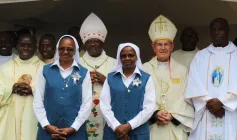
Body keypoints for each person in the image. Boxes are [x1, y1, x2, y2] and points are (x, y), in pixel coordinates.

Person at [185, 18, 237, 140]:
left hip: (231, 113)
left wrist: (222, 102)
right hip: (205, 112)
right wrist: (209, 103)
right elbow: (194, 83)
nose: (217, 33)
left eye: (220, 29)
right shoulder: (200, 56)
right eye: (213, 30)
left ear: (227, 31)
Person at [143, 15, 194, 140]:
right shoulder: (144, 69)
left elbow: (186, 96)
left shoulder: (182, 70)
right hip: (152, 128)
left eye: (166, 44)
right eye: (159, 44)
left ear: (172, 47)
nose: (163, 48)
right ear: (153, 47)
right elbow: (140, 96)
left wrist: (172, 115)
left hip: (174, 126)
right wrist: (155, 113)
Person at [33, 35, 92, 140]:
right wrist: (46, 125)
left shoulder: (84, 73)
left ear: (75, 51)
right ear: (57, 49)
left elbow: (87, 104)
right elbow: (38, 101)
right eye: (62, 48)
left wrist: (73, 127)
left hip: (75, 132)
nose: (65, 51)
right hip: (47, 131)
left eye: (70, 49)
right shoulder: (45, 71)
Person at [100, 43, 155, 140]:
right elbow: (104, 106)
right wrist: (117, 127)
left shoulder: (147, 78)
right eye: (123, 56)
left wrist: (129, 125)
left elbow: (149, 107)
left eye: (131, 55)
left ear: (137, 57)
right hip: (113, 133)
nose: (127, 58)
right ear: (119, 58)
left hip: (139, 134)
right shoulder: (110, 78)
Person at [79, 12, 116, 140]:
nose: (93, 44)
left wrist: (106, 81)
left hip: (107, 116)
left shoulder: (114, 63)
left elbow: (123, 89)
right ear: (84, 44)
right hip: (82, 115)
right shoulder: (77, 64)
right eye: (90, 41)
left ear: (103, 43)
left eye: (96, 41)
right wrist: (84, 82)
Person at [0, 34, 44, 140]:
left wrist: (33, 90)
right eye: (22, 45)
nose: (25, 48)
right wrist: (11, 89)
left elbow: (52, 94)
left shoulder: (45, 69)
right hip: (10, 118)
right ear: (16, 46)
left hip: (33, 118)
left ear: (35, 47)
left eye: (29, 45)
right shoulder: (5, 68)